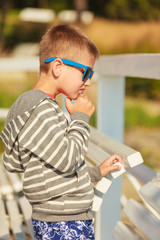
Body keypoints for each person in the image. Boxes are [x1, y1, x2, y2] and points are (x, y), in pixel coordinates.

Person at [0, 24, 125, 240]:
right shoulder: (42, 109)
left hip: (53, 219)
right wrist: (80, 117)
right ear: (58, 66)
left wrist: (96, 173)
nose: (88, 81)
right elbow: (68, 160)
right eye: (85, 72)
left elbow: (26, 163)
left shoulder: (30, 105)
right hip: (65, 220)